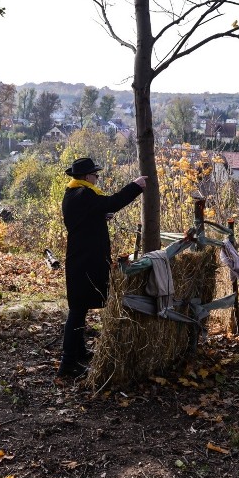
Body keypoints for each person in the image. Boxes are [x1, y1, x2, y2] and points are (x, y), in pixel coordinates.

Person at [59, 157, 147, 378]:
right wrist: (136, 186)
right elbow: (112, 202)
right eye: (95, 175)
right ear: (87, 177)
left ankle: (78, 352)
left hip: (81, 258)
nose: (97, 178)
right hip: (85, 260)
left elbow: (84, 218)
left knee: (80, 308)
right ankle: (68, 363)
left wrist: (99, 217)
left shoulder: (73, 193)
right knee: (78, 311)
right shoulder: (84, 194)